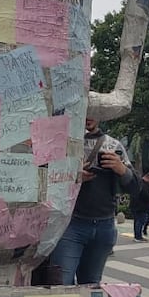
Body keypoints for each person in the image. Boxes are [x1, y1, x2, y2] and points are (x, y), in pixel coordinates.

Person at [49, 117, 138, 285]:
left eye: (95, 112)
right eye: (86, 110)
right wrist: (73, 177)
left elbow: (135, 188)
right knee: (61, 284)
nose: (89, 116)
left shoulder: (113, 145)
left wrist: (122, 170)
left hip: (104, 223)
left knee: (91, 285)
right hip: (70, 223)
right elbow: (43, 180)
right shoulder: (61, 142)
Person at [130, 171, 149, 242]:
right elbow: (145, 195)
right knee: (141, 221)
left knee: (137, 221)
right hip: (141, 206)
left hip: (135, 204)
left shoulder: (138, 183)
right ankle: (138, 237)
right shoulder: (144, 185)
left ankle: (137, 236)